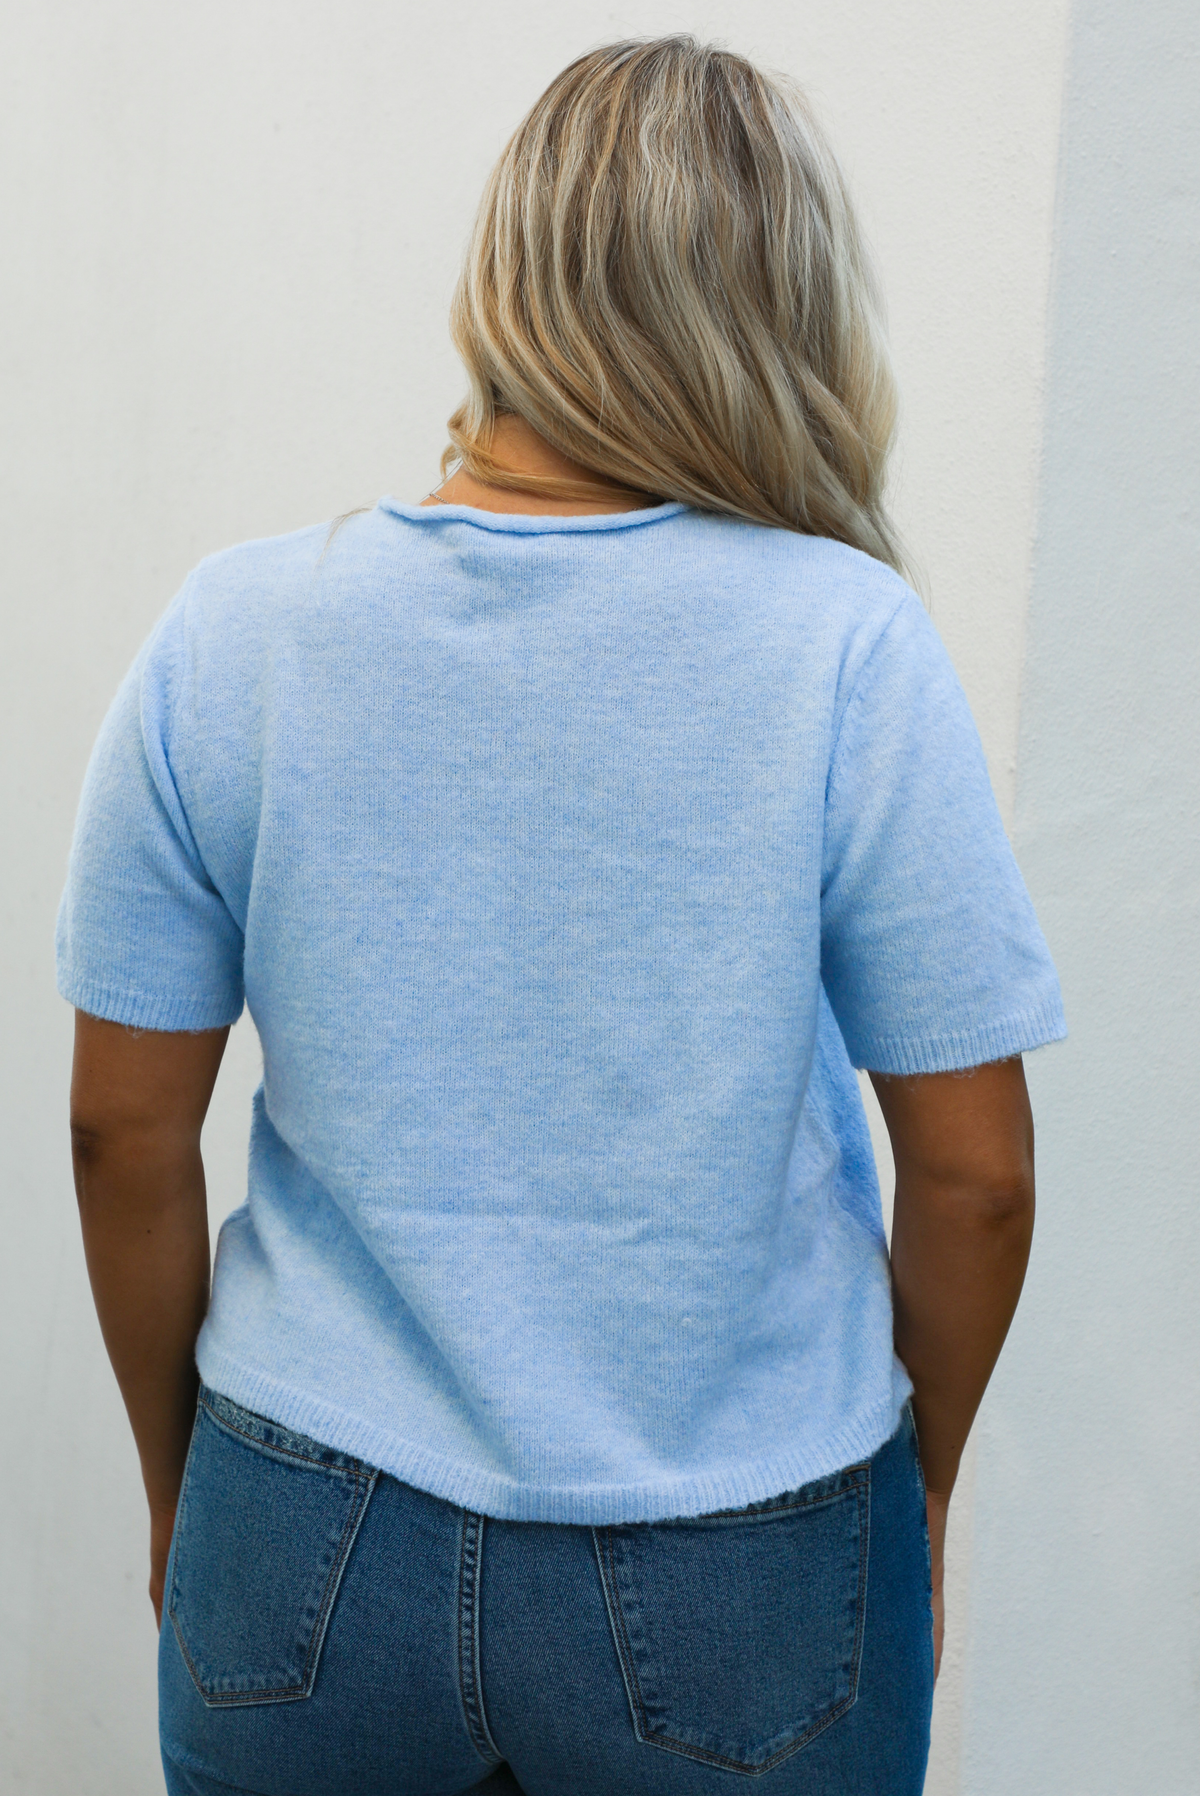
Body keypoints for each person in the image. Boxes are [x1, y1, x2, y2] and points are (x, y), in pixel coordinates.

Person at [60, 36, 1064, 1796]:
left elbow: (116, 1130)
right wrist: (915, 1487)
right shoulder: (845, 647)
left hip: (301, 1529)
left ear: (508, 282)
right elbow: (977, 1174)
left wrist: (183, 1484)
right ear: (783, 310)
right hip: (743, 1538)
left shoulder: (231, 635)